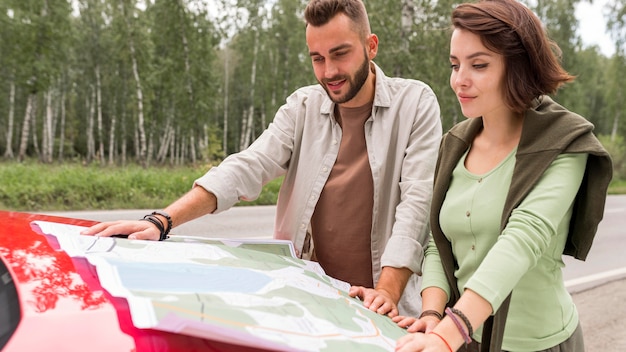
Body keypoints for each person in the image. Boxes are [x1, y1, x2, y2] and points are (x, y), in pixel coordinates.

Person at [81, 0, 442, 318]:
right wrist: (162, 220)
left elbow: (416, 204)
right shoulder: (302, 106)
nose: (328, 71)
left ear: (371, 45)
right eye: (317, 58)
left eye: (340, 53)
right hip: (312, 302)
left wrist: (388, 293)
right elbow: (248, 165)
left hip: (383, 306)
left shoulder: (415, 104)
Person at [392, 0, 613, 351]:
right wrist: (432, 315)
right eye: (454, 65)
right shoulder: (455, 145)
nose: (459, 80)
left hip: (539, 344)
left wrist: (447, 334)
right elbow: (438, 241)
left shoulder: (564, 143)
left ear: (518, 67)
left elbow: (522, 239)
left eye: (478, 65)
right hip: (465, 338)